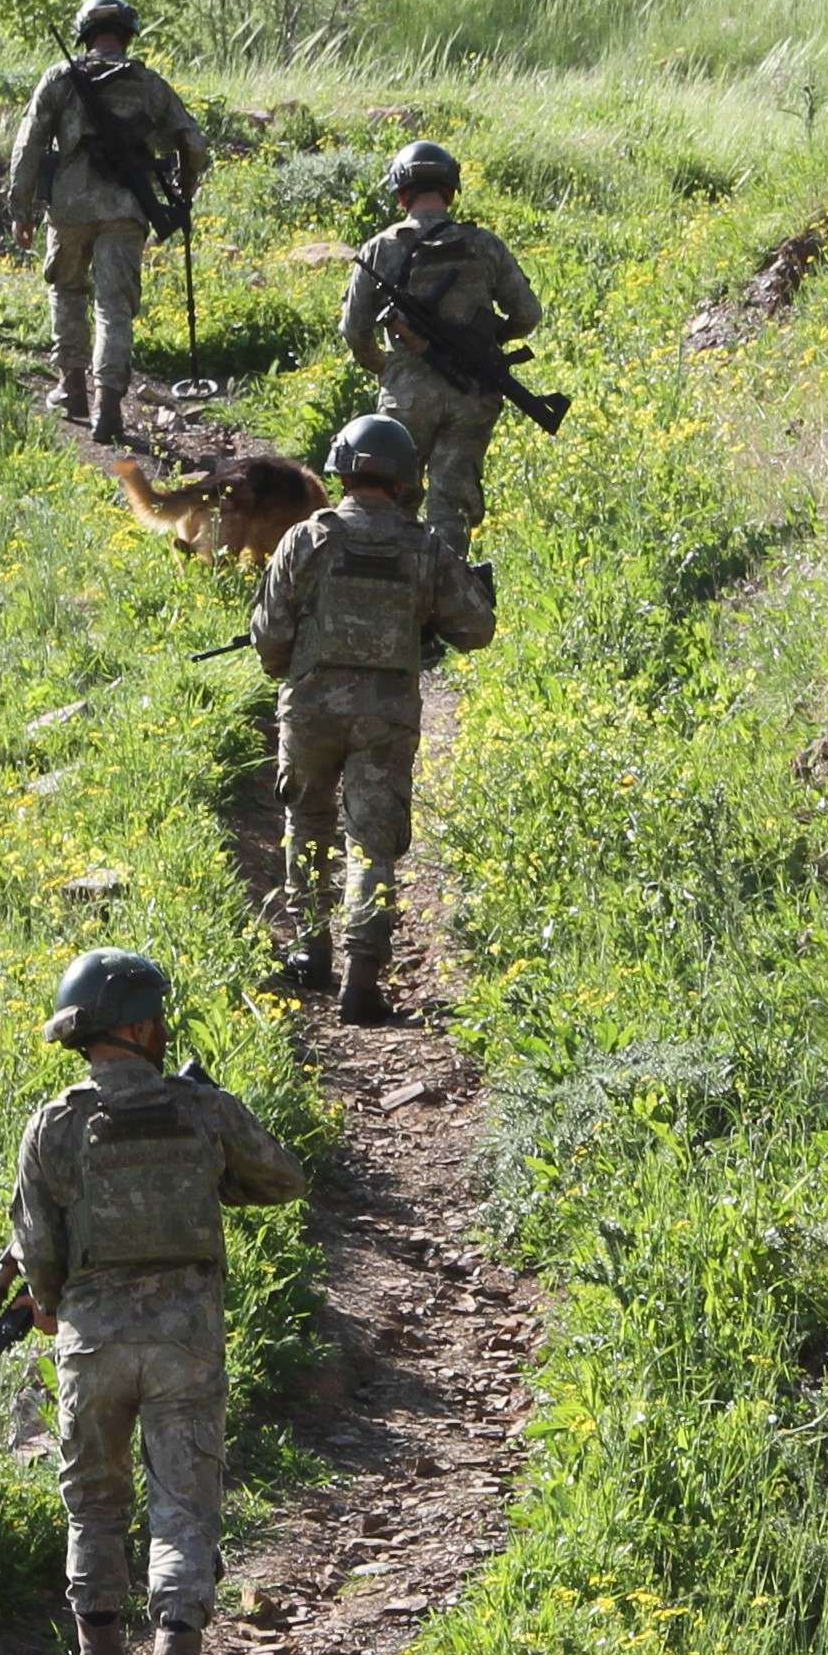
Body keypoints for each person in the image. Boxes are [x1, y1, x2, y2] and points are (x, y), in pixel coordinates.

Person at [4, 948, 306, 1655]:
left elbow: (37, 1247)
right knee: (182, 1507)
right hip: (185, 1345)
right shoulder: (200, 1110)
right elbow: (283, 1178)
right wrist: (215, 1137)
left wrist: (57, 1309)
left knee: (94, 1501)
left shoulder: (54, 1122)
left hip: (91, 1344)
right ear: (136, 1025)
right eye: (159, 1016)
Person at [248, 413, 496, 1024]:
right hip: (388, 719)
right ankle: (361, 980)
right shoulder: (426, 547)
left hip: (310, 710)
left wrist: (299, 671)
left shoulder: (307, 539)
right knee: (372, 842)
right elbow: (476, 629)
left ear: (342, 469)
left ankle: (310, 953)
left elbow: (270, 638)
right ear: (405, 478)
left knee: (308, 821)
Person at [5, 0, 204, 438]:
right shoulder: (150, 84)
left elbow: (29, 144)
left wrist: (22, 210)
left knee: (68, 289)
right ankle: (108, 406)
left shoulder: (60, 78)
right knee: (114, 306)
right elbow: (192, 142)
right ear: (128, 36)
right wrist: (185, 192)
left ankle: (71, 388)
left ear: (85, 34)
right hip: (126, 209)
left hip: (70, 206)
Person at [337, 140, 543, 543]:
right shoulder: (484, 245)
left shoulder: (382, 247)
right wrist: (487, 339)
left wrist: (385, 367)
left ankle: (394, 590)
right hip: (472, 396)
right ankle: (447, 594)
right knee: (451, 509)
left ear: (401, 195)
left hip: (407, 399)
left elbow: (354, 329)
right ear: (450, 193)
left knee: (392, 505)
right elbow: (527, 315)